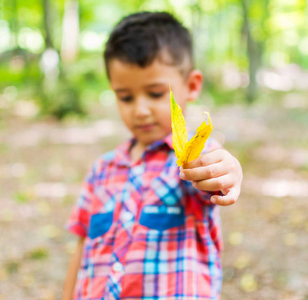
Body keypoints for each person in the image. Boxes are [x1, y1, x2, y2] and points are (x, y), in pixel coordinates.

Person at [62, 11, 243, 300]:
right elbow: (83, 246)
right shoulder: (102, 169)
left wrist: (227, 171)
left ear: (192, 85)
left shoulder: (191, 158)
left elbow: (217, 174)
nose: (140, 109)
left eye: (156, 93)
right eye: (125, 97)